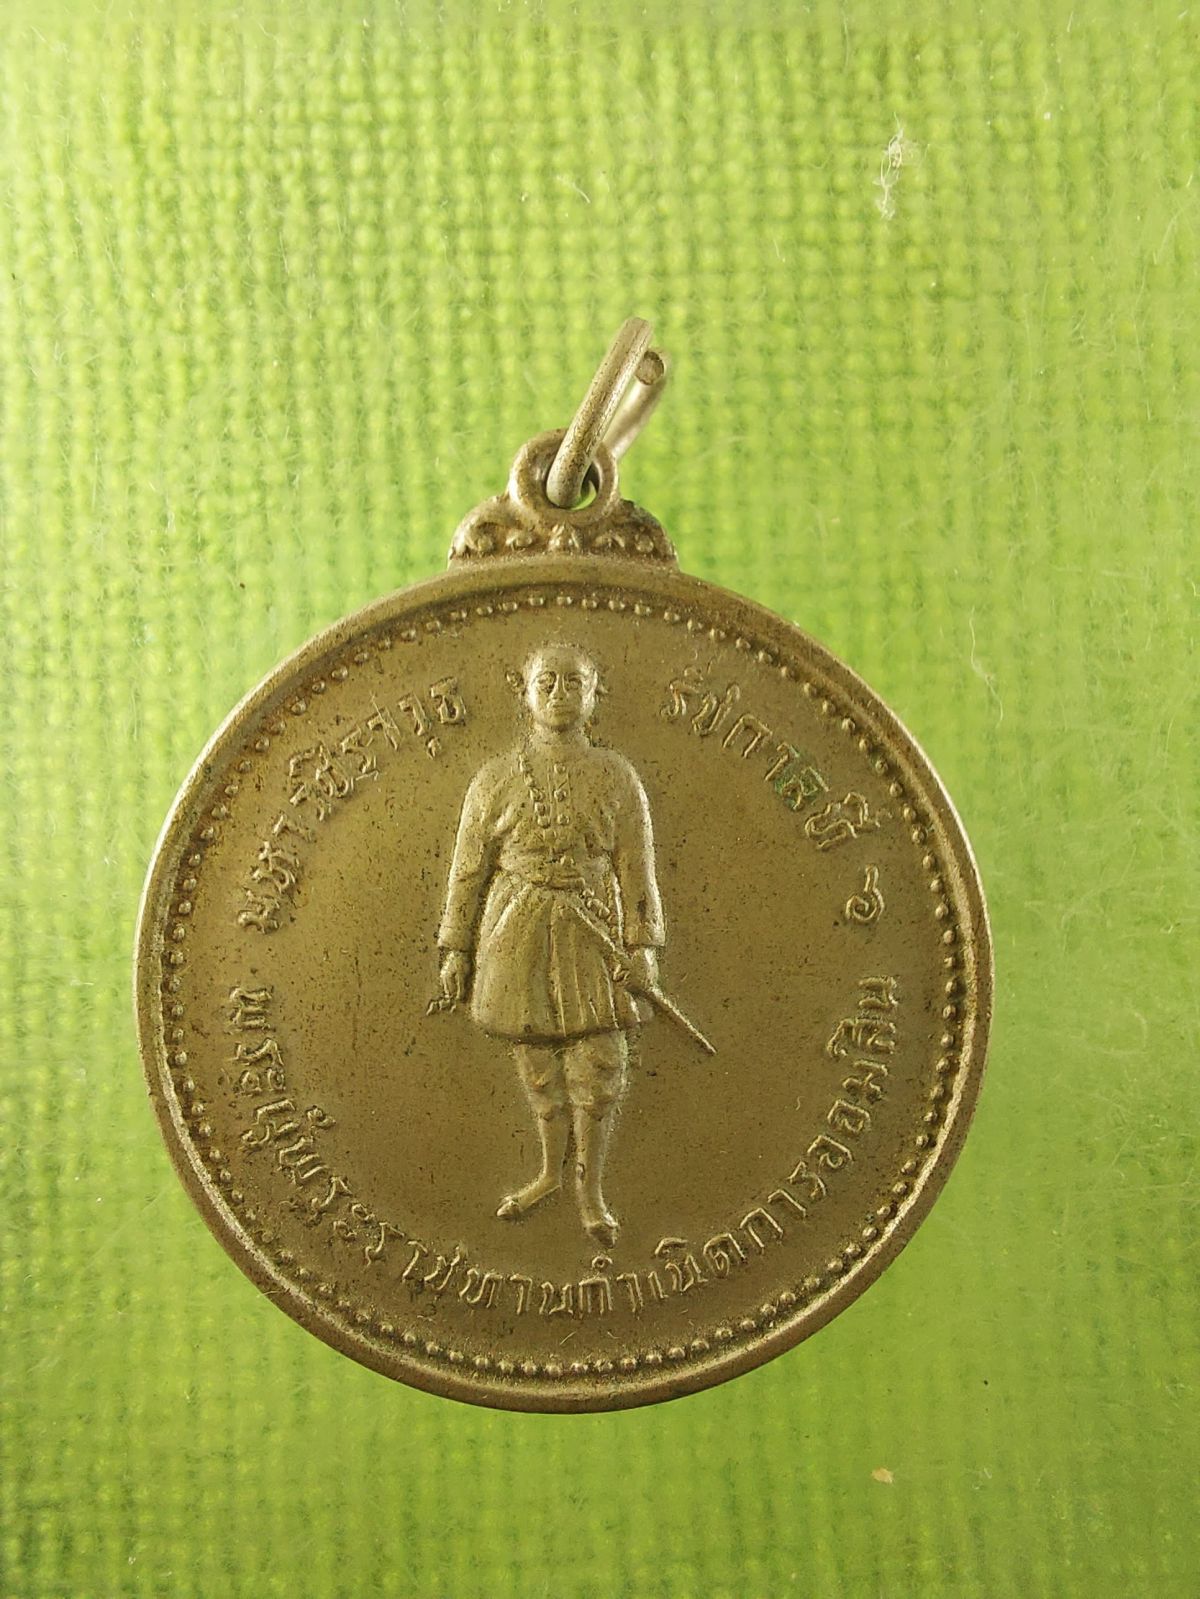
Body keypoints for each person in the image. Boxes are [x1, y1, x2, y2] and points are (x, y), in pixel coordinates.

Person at [435, 642, 665, 1247]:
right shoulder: (493, 778)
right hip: (517, 928)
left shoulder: (616, 775)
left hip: (594, 926)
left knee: (602, 1061)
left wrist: (643, 947)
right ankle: (547, 1175)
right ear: (526, 693)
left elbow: (636, 866)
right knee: (537, 1064)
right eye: (547, 682)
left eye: (573, 683)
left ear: (594, 695)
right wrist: (456, 948)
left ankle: (590, 1194)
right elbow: (467, 868)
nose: (560, 693)